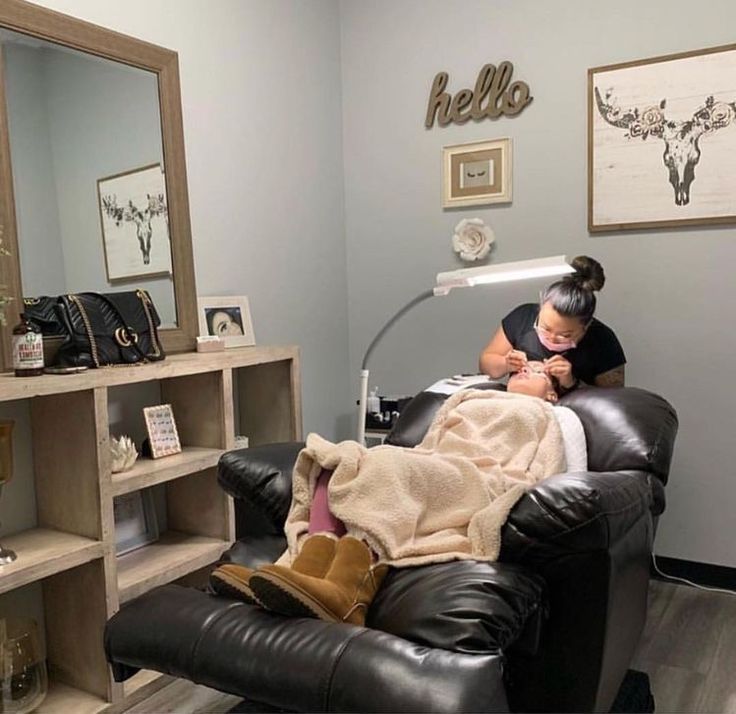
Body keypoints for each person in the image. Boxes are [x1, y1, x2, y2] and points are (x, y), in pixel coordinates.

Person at [210, 372, 586, 626]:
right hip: (439, 461)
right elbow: (432, 441)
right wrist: (420, 460)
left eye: (537, 370)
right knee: (341, 458)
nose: (525, 369)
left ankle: (349, 591)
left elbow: (544, 470)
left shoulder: (552, 415)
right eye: (521, 368)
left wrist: (514, 485)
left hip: (481, 475)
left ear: (552, 392)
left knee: (387, 462)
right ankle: (300, 573)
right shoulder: (467, 399)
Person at [479, 255, 626, 391]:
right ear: (541, 308)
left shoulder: (604, 341)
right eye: (545, 328)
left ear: (586, 327)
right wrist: (505, 364)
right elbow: (486, 364)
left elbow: (614, 398)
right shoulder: (523, 318)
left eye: (565, 335)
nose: (552, 338)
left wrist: (571, 383)